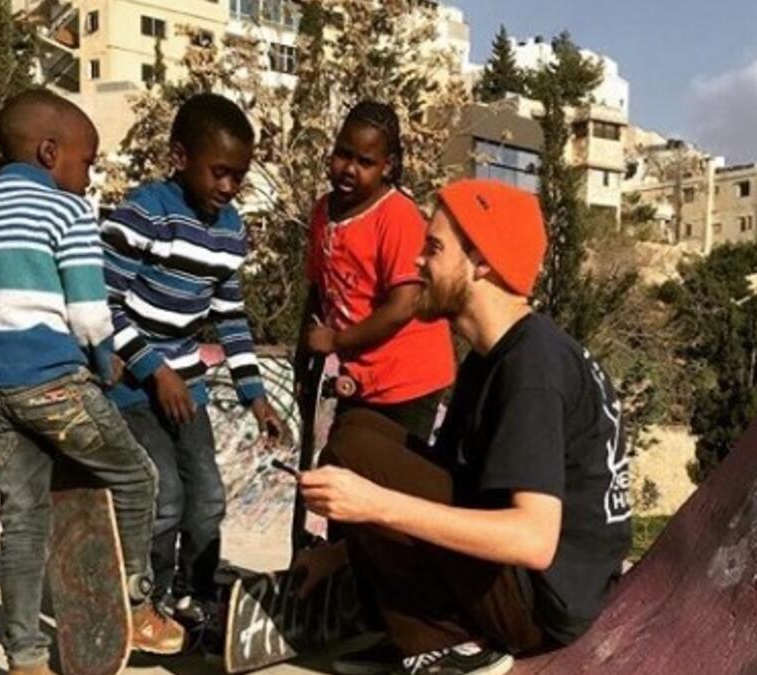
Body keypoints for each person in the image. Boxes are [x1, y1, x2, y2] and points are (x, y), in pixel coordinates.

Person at [296, 179, 632, 675]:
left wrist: (373, 505)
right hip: (529, 583)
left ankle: (451, 647)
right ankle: (384, 608)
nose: (417, 264)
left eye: (433, 248)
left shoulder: (532, 367)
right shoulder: (490, 355)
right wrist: (345, 551)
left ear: (481, 263)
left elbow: (533, 541)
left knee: (359, 463)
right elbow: (451, 479)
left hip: (541, 604)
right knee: (359, 431)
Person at [0, 88, 184, 675]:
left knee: (22, 519)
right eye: (88, 162)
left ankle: (24, 657)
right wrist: (103, 366)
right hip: (52, 383)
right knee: (134, 476)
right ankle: (135, 605)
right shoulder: (67, 212)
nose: (89, 177)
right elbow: (92, 314)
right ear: (50, 152)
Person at [100, 92, 286, 628]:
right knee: (164, 495)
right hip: (134, 385)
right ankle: (147, 601)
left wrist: (257, 398)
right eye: (219, 173)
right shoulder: (144, 213)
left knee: (206, 497)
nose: (228, 188)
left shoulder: (230, 231)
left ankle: (197, 596)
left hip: (186, 384)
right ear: (180, 157)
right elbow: (102, 305)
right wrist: (154, 372)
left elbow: (230, 319)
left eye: (239, 177)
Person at [295, 101, 456, 442]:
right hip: (363, 374)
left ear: (388, 166)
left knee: (385, 480)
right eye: (343, 154)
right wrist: (303, 359)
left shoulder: (397, 216)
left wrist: (336, 341)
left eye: (365, 162)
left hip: (409, 377)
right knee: (343, 466)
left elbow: (402, 306)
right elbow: (318, 290)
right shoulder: (324, 211)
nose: (349, 169)